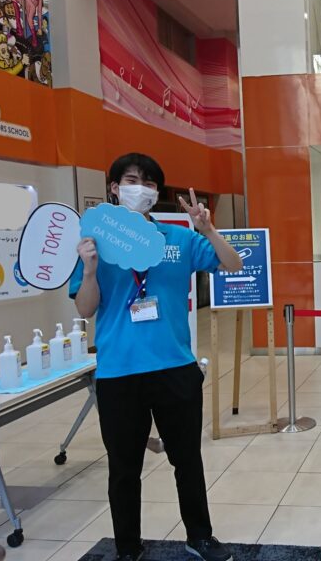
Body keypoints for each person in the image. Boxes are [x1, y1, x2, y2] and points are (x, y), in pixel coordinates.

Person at [71, 153, 242, 561]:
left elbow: (233, 263)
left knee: (187, 460)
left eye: (149, 183)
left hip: (175, 367)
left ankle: (200, 537)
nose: (141, 189)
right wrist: (90, 270)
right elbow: (84, 308)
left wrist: (207, 228)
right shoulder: (95, 243)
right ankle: (128, 547)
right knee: (124, 467)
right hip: (119, 371)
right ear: (114, 188)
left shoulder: (178, 239)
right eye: (132, 180)